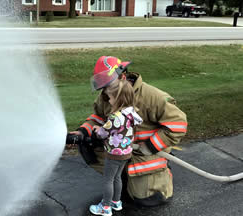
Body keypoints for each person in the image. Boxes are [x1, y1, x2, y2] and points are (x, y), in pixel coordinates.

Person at [68, 56, 188, 207]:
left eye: (108, 86)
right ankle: (124, 178)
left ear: (123, 77)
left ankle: (161, 171)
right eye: (103, 87)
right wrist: (82, 133)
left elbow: (178, 124)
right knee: (86, 144)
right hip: (121, 149)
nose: (105, 93)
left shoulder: (152, 97)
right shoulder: (107, 95)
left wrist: (150, 146)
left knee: (147, 199)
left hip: (145, 152)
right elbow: (98, 117)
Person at [89, 79, 142, 216]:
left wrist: (97, 129)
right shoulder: (131, 113)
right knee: (117, 177)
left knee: (108, 179)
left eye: (111, 98)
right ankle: (116, 202)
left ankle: (105, 207)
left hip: (114, 154)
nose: (109, 101)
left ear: (119, 99)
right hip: (126, 153)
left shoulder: (115, 117)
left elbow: (103, 133)